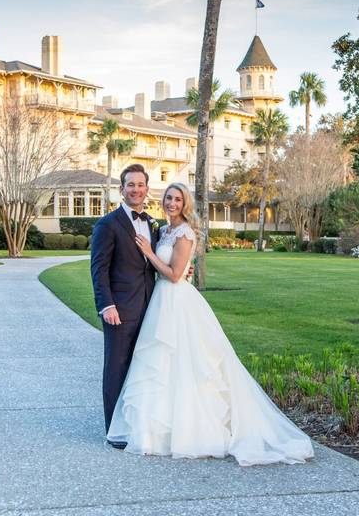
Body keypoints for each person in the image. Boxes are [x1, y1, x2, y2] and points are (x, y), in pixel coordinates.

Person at [106, 182, 314, 466]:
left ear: (185, 203)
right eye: (168, 198)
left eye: (178, 199)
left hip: (177, 302)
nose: (172, 203)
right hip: (160, 302)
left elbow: (176, 275)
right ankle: (157, 430)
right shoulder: (162, 229)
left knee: (188, 361)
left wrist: (150, 253)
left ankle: (193, 429)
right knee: (163, 362)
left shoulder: (185, 232)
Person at [90, 164, 158, 446]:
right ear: (122, 189)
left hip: (151, 307)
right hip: (120, 309)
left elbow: (154, 263)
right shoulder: (107, 224)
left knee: (142, 368)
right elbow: (99, 268)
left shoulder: (153, 223)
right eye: (130, 185)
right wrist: (106, 305)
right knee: (116, 367)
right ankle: (114, 431)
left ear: (146, 189)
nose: (136, 189)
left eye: (140, 185)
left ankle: (137, 424)